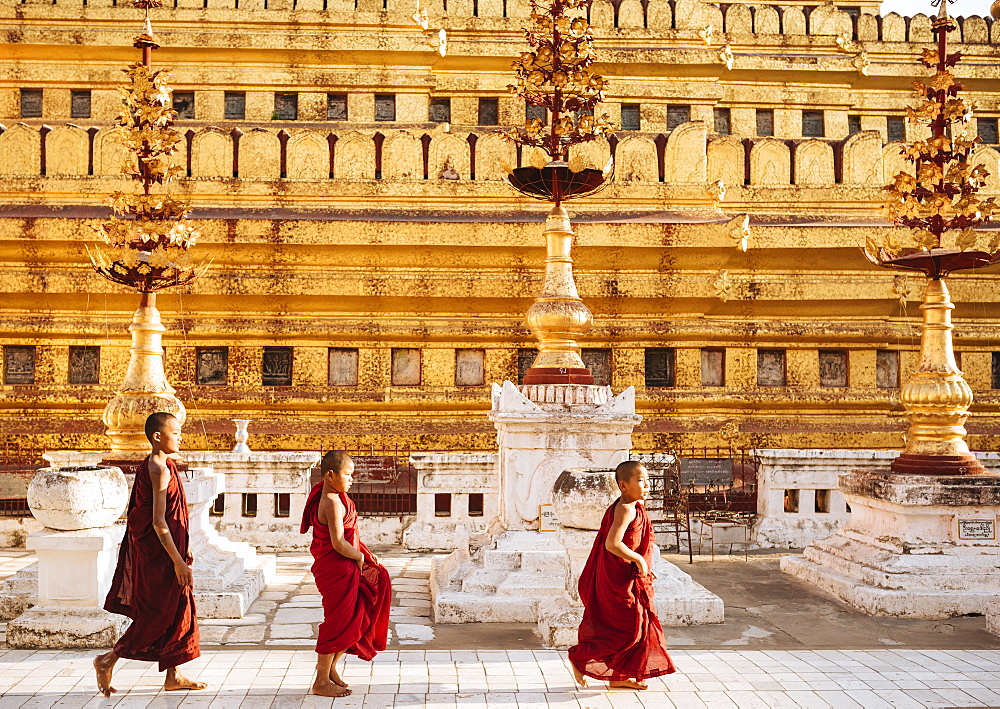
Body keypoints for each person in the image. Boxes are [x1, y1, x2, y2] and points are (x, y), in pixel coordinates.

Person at [95, 412, 206, 697]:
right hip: (160, 557)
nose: (181, 437)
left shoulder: (164, 462)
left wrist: (185, 545)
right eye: (176, 432)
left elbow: (173, 514)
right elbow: (158, 521)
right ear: (158, 436)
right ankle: (107, 659)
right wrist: (178, 562)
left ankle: (173, 675)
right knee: (157, 615)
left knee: (179, 609)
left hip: (168, 551)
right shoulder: (159, 467)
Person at [568, 460, 676, 690]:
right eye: (640, 480)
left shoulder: (635, 505)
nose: (647, 485)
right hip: (617, 578)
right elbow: (612, 544)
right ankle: (579, 657)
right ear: (624, 486)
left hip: (627, 576)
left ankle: (618, 677)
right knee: (628, 628)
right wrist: (637, 559)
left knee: (638, 624)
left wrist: (642, 563)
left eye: (648, 480)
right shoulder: (626, 508)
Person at [302, 450, 392, 697]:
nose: (352, 479)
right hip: (337, 568)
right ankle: (321, 680)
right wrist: (361, 557)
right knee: (337, 622)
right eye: (348, 474)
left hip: (344, 566)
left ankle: (331, 670)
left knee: (356, 617)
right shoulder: (331, 502)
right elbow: (339, 543)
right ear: (330, 475)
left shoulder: (332, 494)